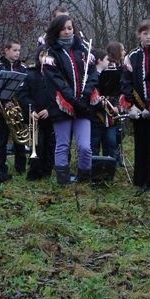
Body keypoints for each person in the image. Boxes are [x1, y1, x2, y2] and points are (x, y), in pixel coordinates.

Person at [41, 14, 98, 185]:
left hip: (83, 106)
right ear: (56, 31)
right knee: (63, 145)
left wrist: (86, 94)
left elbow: (93, 75)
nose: (67, 31)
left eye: (69, 28)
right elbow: (56, 81)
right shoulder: (50, 54)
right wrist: (73, 101)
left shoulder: (83, 50)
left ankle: (84, 180)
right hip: (62, 106)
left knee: (85, 147)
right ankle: (63, 181)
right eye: (63, 29)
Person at [120, 19, 150, 193]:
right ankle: (140, 181)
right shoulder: (132, 56)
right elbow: (125, 82)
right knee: (140, 143)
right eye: (145, 33)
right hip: (137, 108)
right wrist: (131, 106)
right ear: (139, 35)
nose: (148, 37)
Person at [0, 41, 28, 177]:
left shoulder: (23, 68)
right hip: (1, 110)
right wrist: (5, 102)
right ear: (6, 50)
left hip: (18, 108)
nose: (17, 53)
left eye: (18, 50)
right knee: (2, 139)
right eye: (14, 50)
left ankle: (20, 167)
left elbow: (27, 88)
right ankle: (1, 167)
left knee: (20, 138)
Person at [16, 51, 56, 181]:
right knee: (37, 144)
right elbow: (23, 94)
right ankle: (34, 173)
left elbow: (60, 95)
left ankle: (47, 172)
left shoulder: (56, 74)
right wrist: (31, 109)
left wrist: (50, 109)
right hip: (34, 116)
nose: (45, 59)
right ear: (38, 57)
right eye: (42, 55)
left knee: (50, 145)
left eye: (48, 56)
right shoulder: (30, 73)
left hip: (51, 116)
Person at [90, 48, 119, 160]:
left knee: (111, 144)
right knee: (94, 146)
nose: (109, 61)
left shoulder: (111, 75)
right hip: (96, 118)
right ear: (99, 61)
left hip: (110, 118)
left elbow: (115, 93)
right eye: (106, 59)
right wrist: (99, 102)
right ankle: (95, 172)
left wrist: (116, 105)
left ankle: (110, 170)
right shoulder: (91, 77)